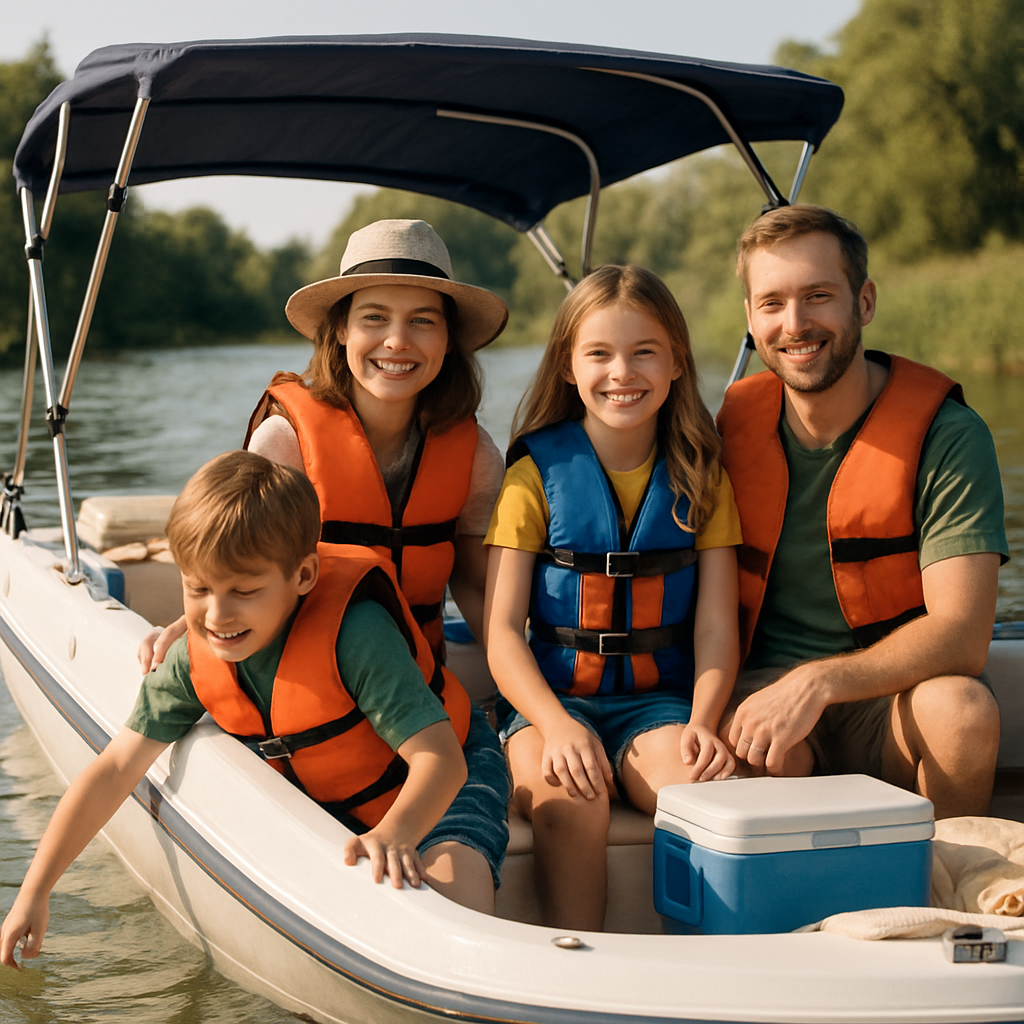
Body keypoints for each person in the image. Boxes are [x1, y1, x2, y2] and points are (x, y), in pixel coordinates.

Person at [1, 453, 508, 970]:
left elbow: (441, 760)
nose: (217, 615)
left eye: (243, 591)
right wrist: (36, 890)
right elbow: (114, 769)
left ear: (303, 575)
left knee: (455, 897)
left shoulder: (357, 636)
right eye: (198, 589)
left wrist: (396, 834)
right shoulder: (193, 658)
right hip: (343, 796)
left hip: (449, 774)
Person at [716, 203, 1007, 819]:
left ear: (864, 302)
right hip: (764, 698)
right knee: (735, 754)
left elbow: (963, 634)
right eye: (772, 303)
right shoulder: (727, 428)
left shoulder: (949, 436)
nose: (795, 323)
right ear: (750, 317)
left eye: (818, 296)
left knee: (963, 713)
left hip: (893, 698)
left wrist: (821, 681)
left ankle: (946, 873)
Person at [483, 264, 741, 931]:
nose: (621, 372)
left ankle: (715, 958)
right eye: (599, 353)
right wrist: (555, 725)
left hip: (658, 706)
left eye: (643, 352)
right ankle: (576, 957)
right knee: (572, 795)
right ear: (568, 368)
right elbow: (502, 632)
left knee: (708, 794)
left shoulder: (703, 477)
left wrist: (704, 721)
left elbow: (716, 628)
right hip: (549, 706)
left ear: (677, 363)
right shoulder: (533, 477)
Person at [141, 218, 509, 673]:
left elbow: (476, 586)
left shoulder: (476, 456)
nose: (397, 341)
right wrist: (190, 630)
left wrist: (533, 681)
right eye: (374, 317)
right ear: (340, 330)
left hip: (418, 680)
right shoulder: (284, 443)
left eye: (422, 320)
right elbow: (236, 572)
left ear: (448, 339)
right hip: (302, 677)